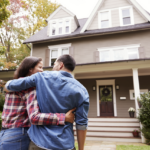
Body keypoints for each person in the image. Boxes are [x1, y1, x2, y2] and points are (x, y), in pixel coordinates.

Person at [5, 55, 89, 150]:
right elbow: (81, 124)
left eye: (54, 64)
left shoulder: (41, 77)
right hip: (65, 144)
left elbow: (12, 85)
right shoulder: (82, 90)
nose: (52, 68)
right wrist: (81, 148)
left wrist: (6, 86)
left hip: (39, 142)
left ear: (60, 65)